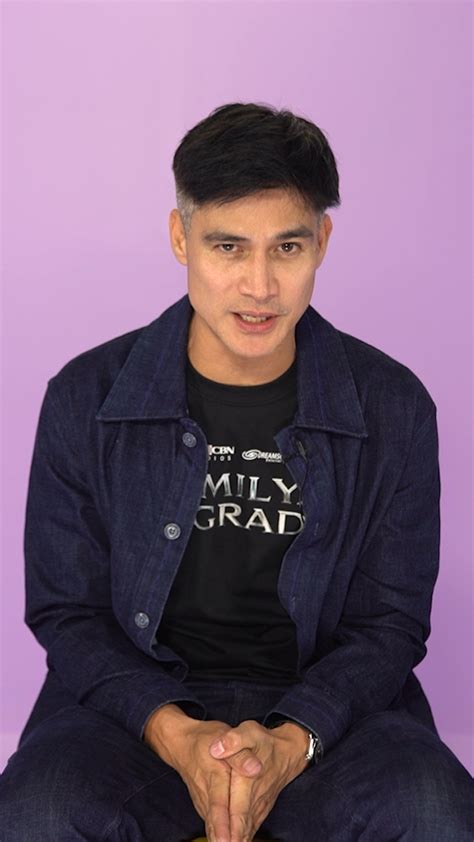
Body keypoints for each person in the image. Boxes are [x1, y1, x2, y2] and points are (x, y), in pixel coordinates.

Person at [0, 102, 472, 842]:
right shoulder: (87, 397)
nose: (259, 286)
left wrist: (292, 739)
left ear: (322, 242)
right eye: (228, 247)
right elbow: (69, 611)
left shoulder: (393, 406)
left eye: (287, 248)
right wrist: (178, 733)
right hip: (134, 714)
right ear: (179, 238)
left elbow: (390, 622)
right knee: (38, 812)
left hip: (330, 719)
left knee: (436, 811)